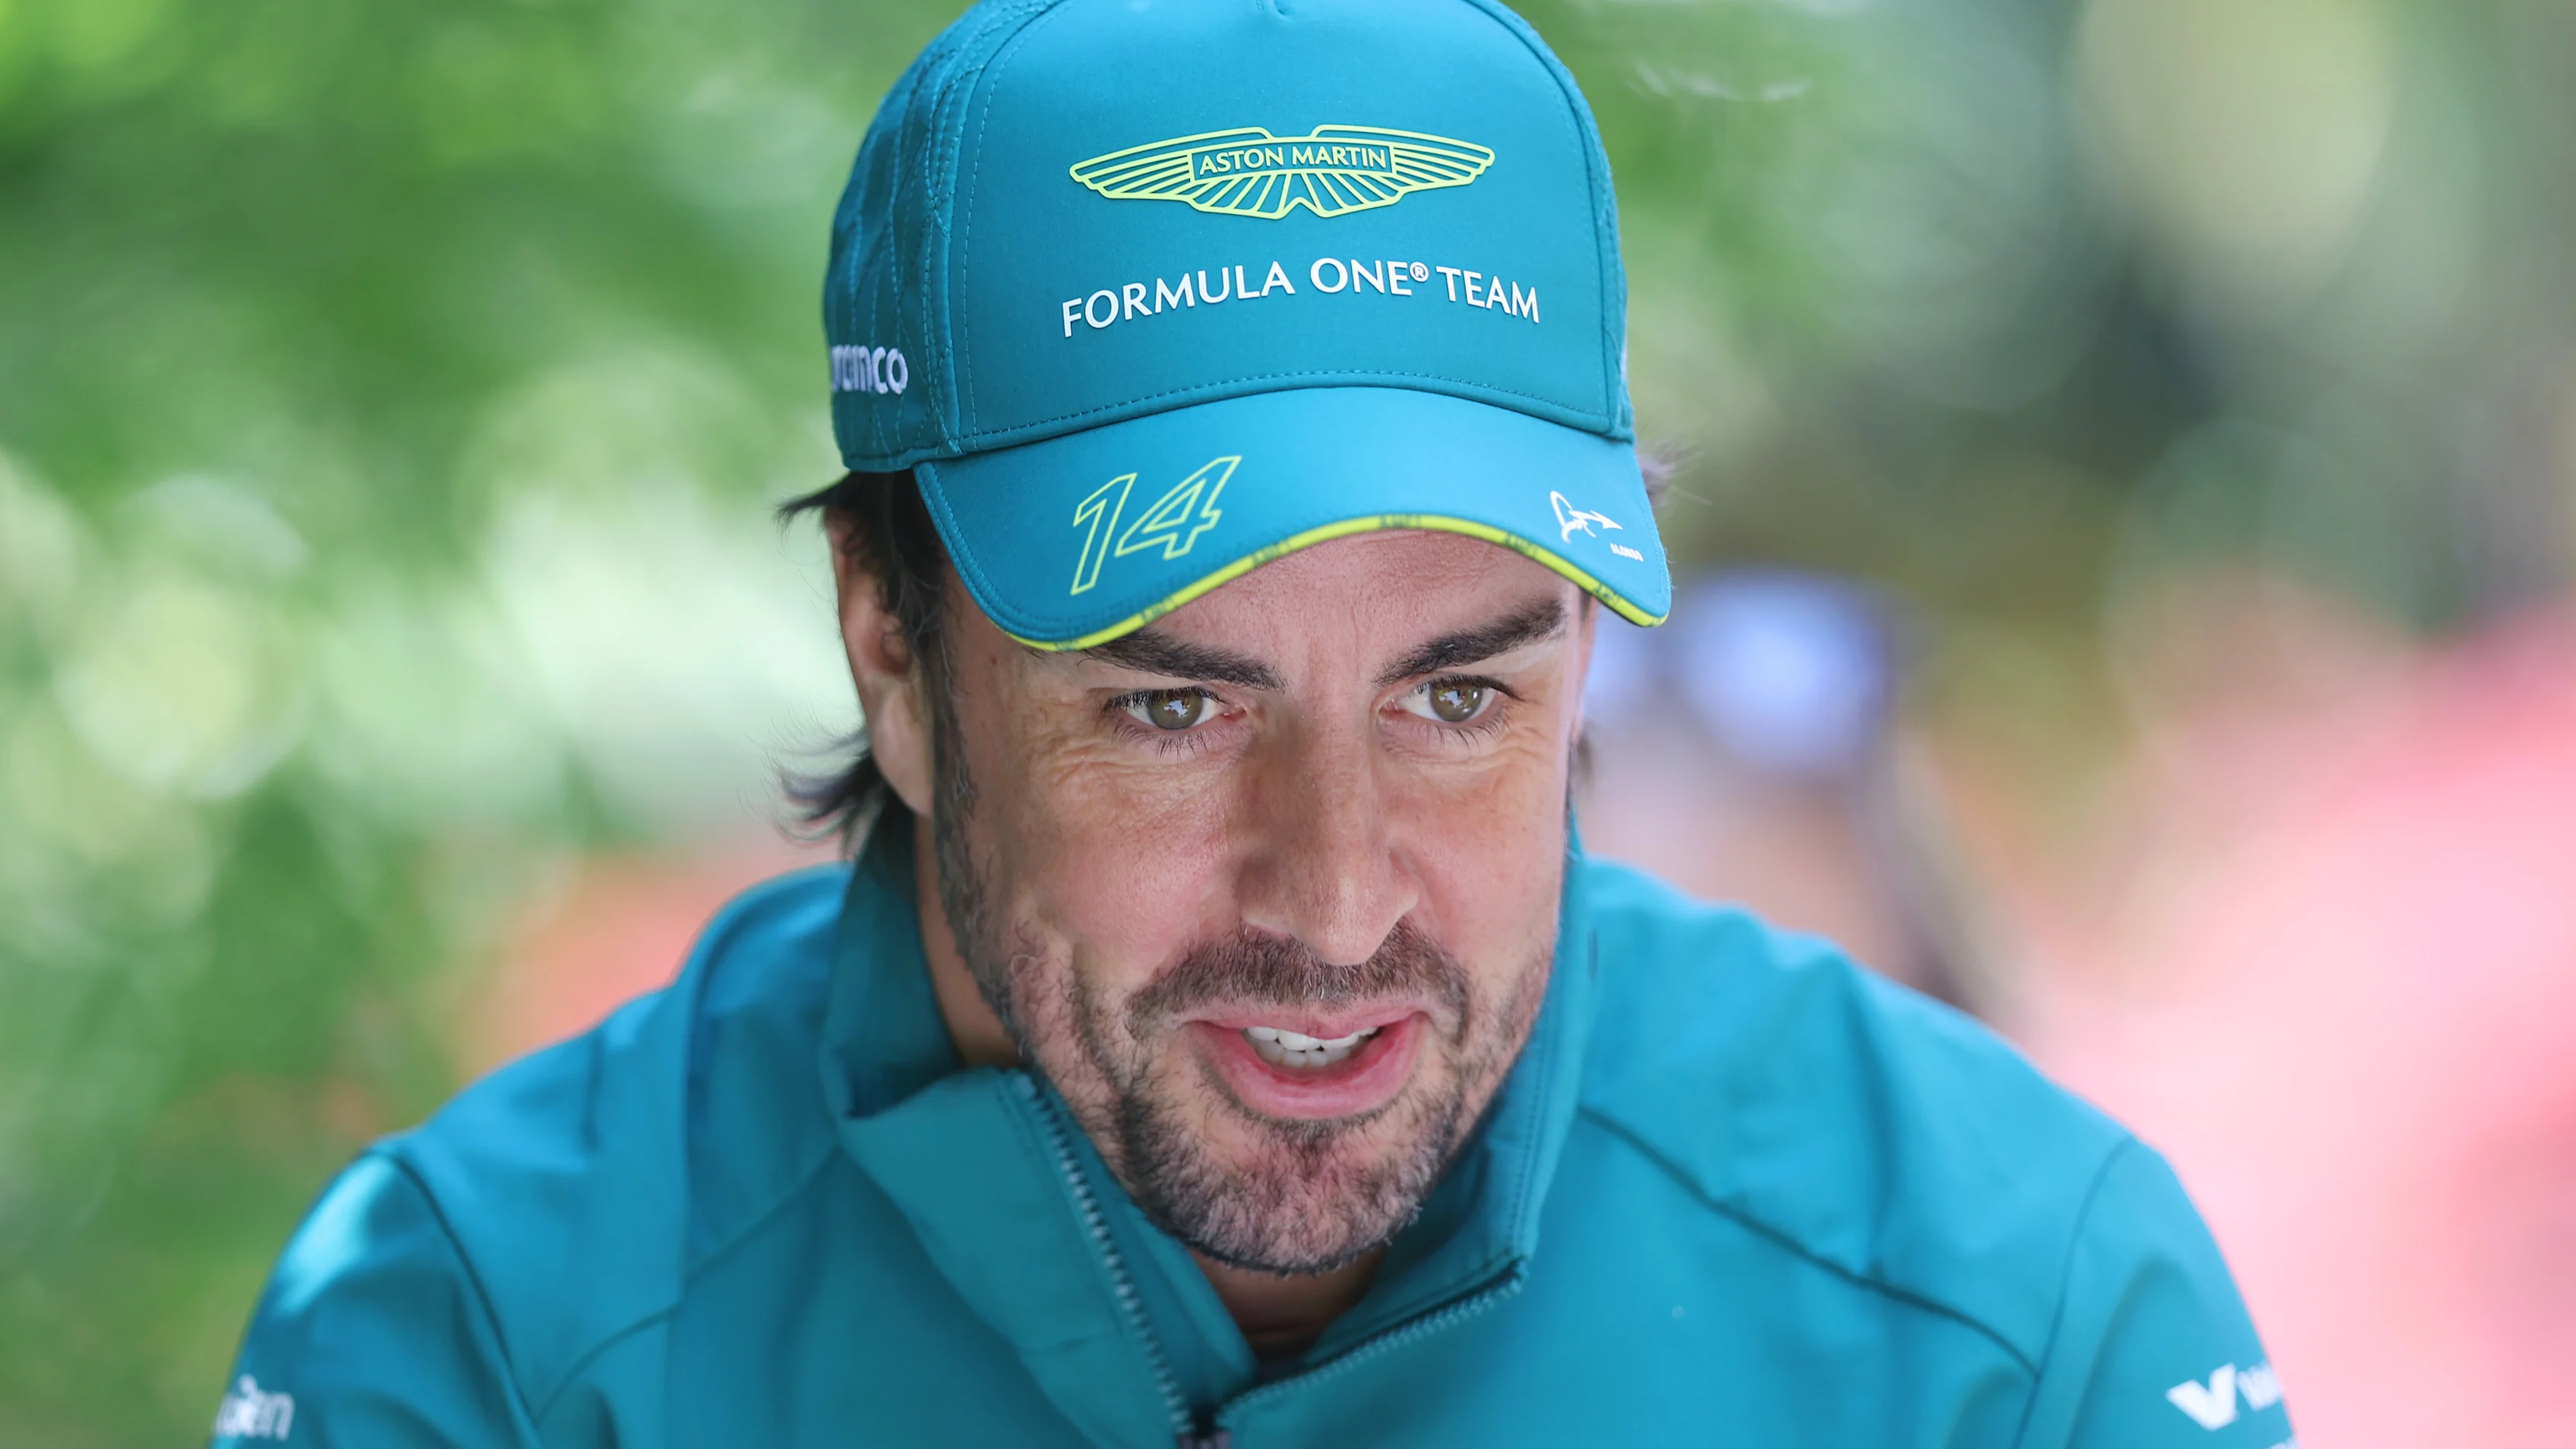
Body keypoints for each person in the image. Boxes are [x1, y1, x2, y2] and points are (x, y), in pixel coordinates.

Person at [211, 1, 2294, 1444]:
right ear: (890, 650)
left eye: (1460, 690)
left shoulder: (2005, 1303)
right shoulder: (492, 1333)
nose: (1339, 889)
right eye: (1177, 705)